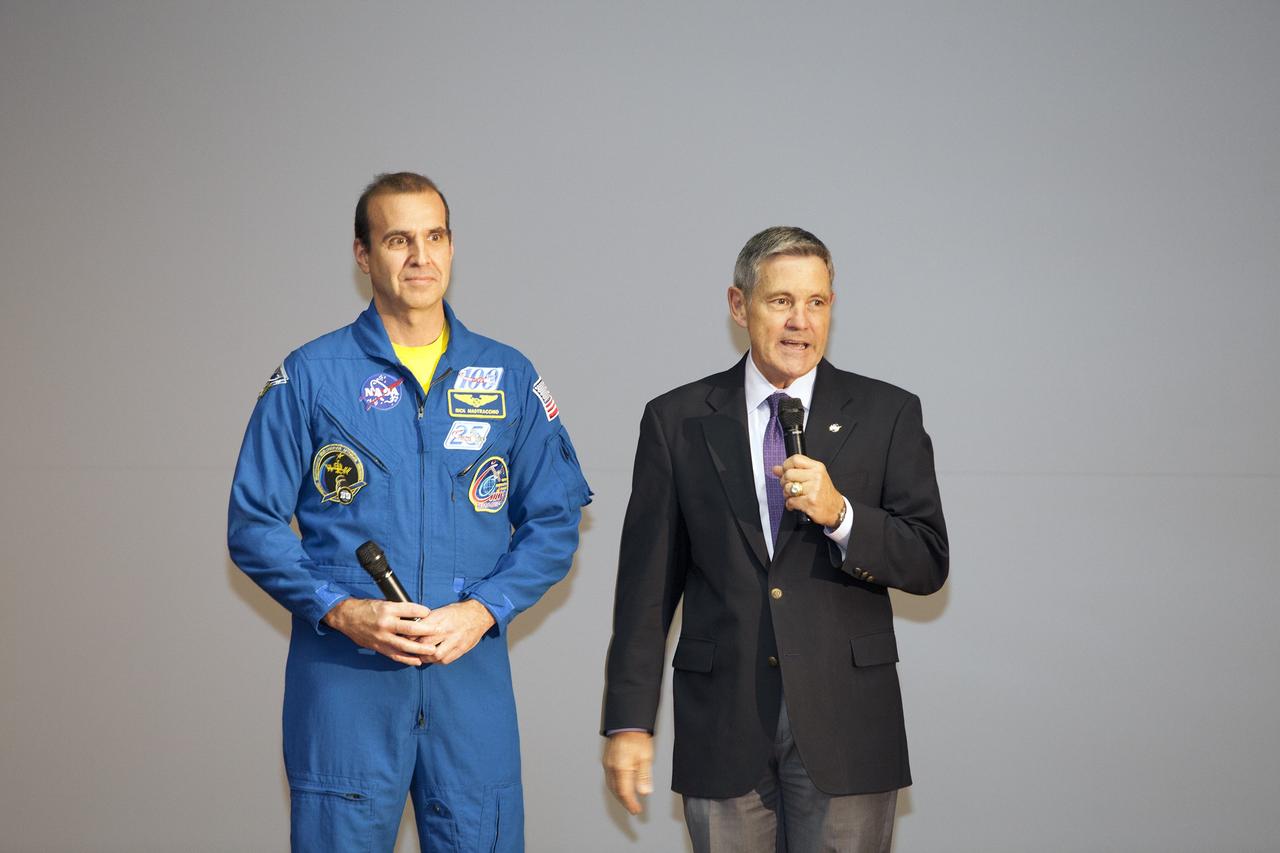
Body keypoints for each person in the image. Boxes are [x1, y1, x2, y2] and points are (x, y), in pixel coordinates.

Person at [228, 172, 591, 852]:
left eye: (435, 237)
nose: (420, 257)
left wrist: (484, 610)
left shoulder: (507, 375)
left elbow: (556, 519)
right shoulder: (311, 374)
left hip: (468, 684)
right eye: (398, 239)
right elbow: (252, 523)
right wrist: (340, 609)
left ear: (452, 248)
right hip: (346, 686)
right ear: (363, 255)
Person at [601, 226, 948, 852]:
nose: (800, 322)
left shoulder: (888, 413)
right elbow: (645, 589)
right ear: (740, 307)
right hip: (723, 719)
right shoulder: (676, 421)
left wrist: (841, 513)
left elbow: (927, 560)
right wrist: (629, 721)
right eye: (780, 301)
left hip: (848, 724)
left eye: (816, 302)